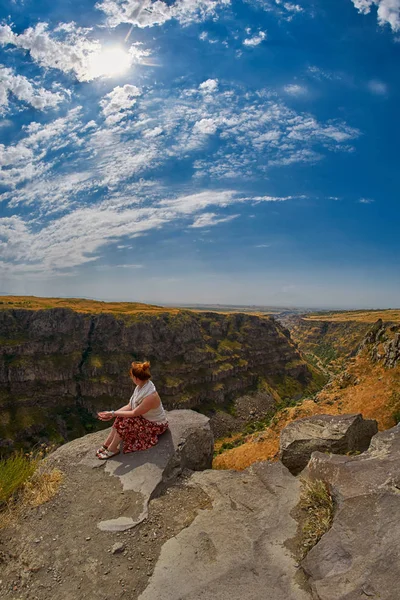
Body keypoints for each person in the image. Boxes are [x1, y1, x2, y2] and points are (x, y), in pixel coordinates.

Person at [96, 361, 168, 460]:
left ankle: (112, 449)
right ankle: (107, 444)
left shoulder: (150, 396)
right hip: (145, 418)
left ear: (136, 378)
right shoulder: (142, 387)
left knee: (127, 421)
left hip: (156, 425)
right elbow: (130, 406)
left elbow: (134, 413)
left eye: (132, 376)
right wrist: (112, 414)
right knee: (121, 416)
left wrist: (112, 413)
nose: (131, 378)